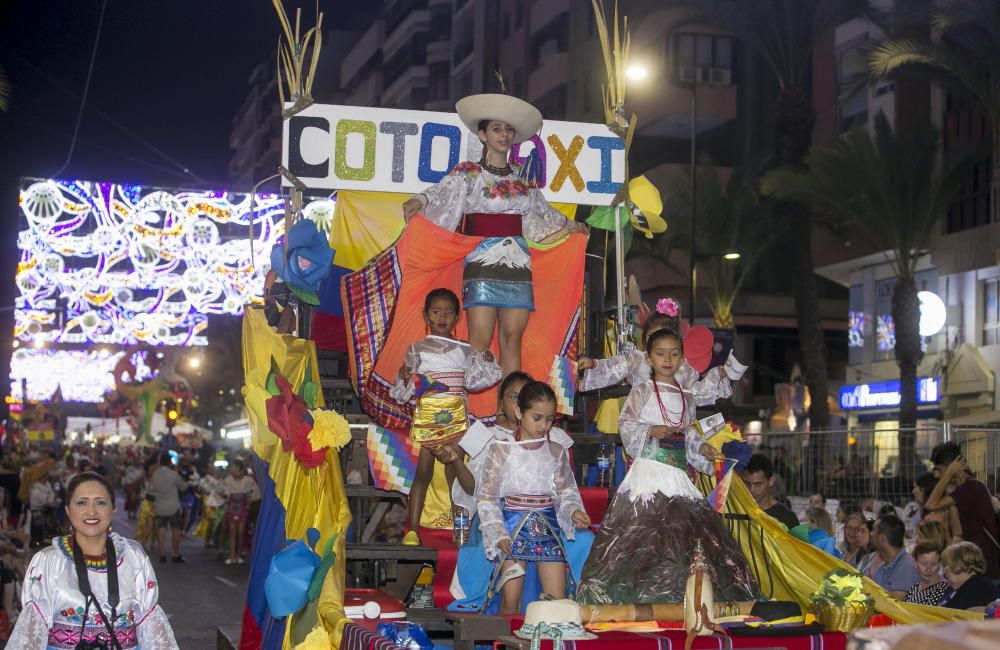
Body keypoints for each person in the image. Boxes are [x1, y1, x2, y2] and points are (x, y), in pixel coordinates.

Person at [401, 95, 588, 377]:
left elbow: (543, 213)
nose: (504, 135)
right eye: (497, 129)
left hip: (518, 266)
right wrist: (419, 201)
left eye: (509, 130)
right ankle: (475, 412)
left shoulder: (523, 177)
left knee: (512, 340)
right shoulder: (468, 173)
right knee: (480, 342)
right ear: (482, 135)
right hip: (482, 263)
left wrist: (573, 226)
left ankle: (509, 412)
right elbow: (440, 193)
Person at [577, 329, 757, 605]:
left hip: (678, 474)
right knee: (643, 535)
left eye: (674, 353)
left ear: (682, 357)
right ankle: (634, 598)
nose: (667, 359)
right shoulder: (642, 390)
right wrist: (651, 430)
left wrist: (704, 449)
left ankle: (679, 597)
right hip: (649, 472)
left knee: (683, 535)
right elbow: (626, 424)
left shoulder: (687, 397)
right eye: (660, 353)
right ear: (649, 358)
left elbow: (689, 435)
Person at [8, 471, 179, 648]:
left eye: (100, 502)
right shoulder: (48, 561)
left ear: (113, 509)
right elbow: (30, 635)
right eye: (82, 503)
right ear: (68, 510)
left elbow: (151, 625)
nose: (91, 511)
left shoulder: (134, 557)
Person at [391, 288, 500, 545]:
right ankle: (413, 531)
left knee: (455, 472)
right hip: (428, 415)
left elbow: (474, 382)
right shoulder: (416, 349)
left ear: (457, 318)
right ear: (425, 315)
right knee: (422, 473)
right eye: (436, 312)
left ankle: (459, 530)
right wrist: (406, 376)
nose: (442, 317)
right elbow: (402, 391)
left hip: (455, 417)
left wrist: (485, 360)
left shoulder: (465, 350)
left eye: (448, 313)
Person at [476, 382, 591, 614]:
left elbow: (566, 492)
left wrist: (574, 511)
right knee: (511, 601)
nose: (543, 426)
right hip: (512, 528)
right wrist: (498, 533)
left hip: (547, 528)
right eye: (537, 418)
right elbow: (487, 499)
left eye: (549, 420)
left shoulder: (556, 450)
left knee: (557, 602)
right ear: (519, 412)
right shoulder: (501, 450)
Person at [577, 298, 746, 395]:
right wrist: (593, 365)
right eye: (652, 337)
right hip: (644, 430)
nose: (657, 343)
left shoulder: (683, 367)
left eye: (663, 337)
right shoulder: (637, 359)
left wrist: (717, 376)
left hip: (675, 435)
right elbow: (613, 369)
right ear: (644, 339)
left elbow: (696, 393)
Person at [928, 445, 999, 578]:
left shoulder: (972, 487)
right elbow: (958, 531)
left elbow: (931, 505)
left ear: (952, 467)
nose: (935, 474)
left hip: (984, 565)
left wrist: (948, 475)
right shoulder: (961, 490)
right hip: (973, 562)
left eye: (938, 469)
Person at [147, 453, 187, 564]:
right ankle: (175, 554)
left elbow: (151, 488)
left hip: (159, 505)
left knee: (161, 529)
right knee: (176, 529)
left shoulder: (155, 474)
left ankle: (162, 554)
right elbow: (183, 486)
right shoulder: (173, 474)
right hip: (173, 506)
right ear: (169, 462)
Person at [743, 454, 800, 531]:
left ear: (771, 481)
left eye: (758, 484)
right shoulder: (736, 510)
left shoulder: (787, 517)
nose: (751, 490)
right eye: (747, 483)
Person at [939, 541, 1000, 610]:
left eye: (945, 566)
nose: (943, 572)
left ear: (957, 564)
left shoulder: (978, 585)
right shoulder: (955, 587)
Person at [870, 515, 920, 599]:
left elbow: (894, 605)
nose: (871, 534)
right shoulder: (879, 570)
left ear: (882, 539)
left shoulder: (906, 566)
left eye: (873, 531)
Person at [222, 460, 259, 565]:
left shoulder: (248, 480)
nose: (231, 469)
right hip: (232, 507)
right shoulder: (228, 480)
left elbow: (256, 491)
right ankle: (231, 556)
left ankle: (238, 555)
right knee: (232, 532)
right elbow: (220, 489)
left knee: (240, 533)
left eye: (233, 467)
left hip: (242, 508)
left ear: (239, 468)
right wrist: (226, 497)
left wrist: (249, 499)